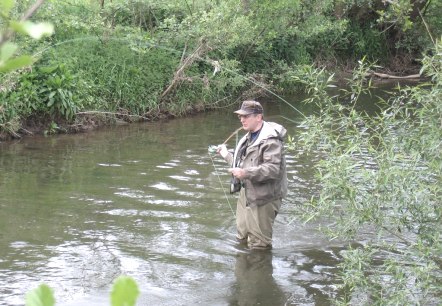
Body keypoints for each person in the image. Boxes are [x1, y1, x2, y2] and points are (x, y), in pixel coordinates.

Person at [217, 100, 287, 249]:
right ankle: (242, 270)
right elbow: (242, 165)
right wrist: (226, 155)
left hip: (264, 198)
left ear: (258, 117)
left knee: (259, 245)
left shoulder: (271, 140)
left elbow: (272, 169)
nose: (242, 119)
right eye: (241, 116)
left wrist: (245, 173)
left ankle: (259, 269)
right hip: (247, 193)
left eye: (246, 116)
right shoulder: (249, 137)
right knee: (241, 237)